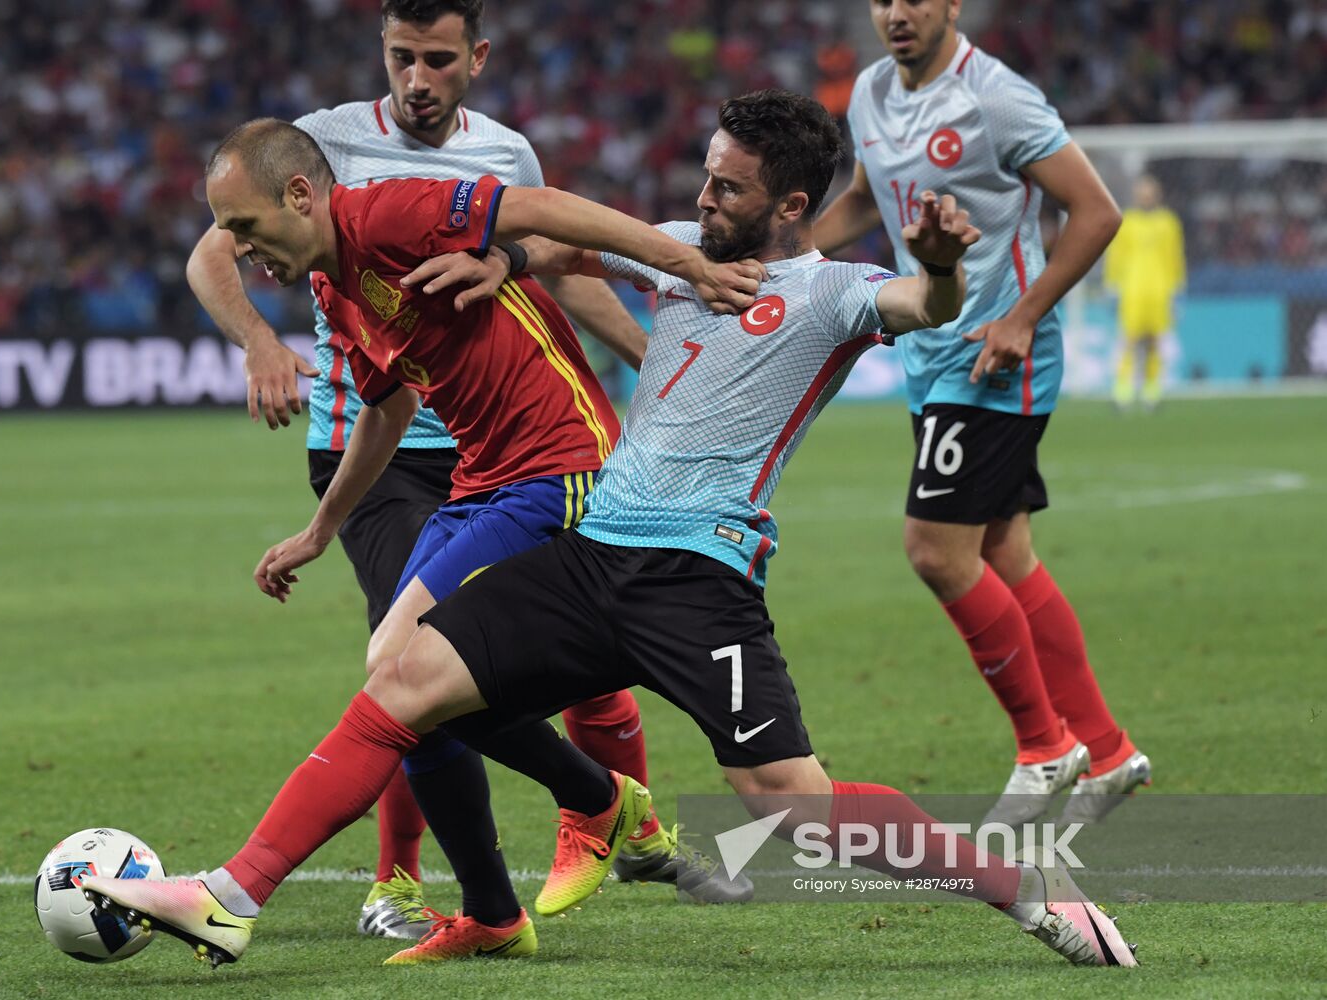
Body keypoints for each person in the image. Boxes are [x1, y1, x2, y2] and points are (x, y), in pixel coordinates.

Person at [83, 90, 1136, 971]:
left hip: (700, 577)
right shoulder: (674, 251)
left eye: (727, 185)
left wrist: (948, 268)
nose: (701, 196)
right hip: (589, 556)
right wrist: (501, 263)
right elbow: (550, 239)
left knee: (792, 802)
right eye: (706, 176)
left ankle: (1027, 895)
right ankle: (231, 896)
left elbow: (923, 301)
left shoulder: (831, 294)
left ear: (792, 204)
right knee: (402, 682)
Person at [183, 0, 714, 941]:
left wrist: (664, 319)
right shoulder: (316, 174)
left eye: (435, 59)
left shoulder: (483, 164)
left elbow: (548, 243)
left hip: (533, 455)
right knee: (404, 669)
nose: (415, 78)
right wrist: (263, 357)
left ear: (474, 59)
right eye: (400, 57)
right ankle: (441, 881)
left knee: (433, 673)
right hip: (423, 462)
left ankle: (597, 818)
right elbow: (363, 381)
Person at [812, 0, 1150, 827]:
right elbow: (865, 199)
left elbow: (1095, 209)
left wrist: (1023, 316)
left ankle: (1045, 748)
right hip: (931, 356)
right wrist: (786, 264)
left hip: (998, 360)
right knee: (1002, 550)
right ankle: (1106, 751)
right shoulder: (867, 94)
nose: (897, 12)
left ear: (952, 5)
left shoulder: (996, 97)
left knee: (933, 548)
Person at [1105, 175, 1185, 412]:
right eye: (1142, 192)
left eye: (1149, 192)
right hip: (1132, 291)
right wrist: (1112, 287)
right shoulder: (1127, 222)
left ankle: (1152, 392)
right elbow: (1116, 256)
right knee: (1127, 341)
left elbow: (1175, 257)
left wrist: (1178, 290)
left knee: (1155, 342)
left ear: (1157, 195)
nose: (1146, 197)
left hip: (1160, 291)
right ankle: (1123, 392)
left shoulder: (1168, 223)